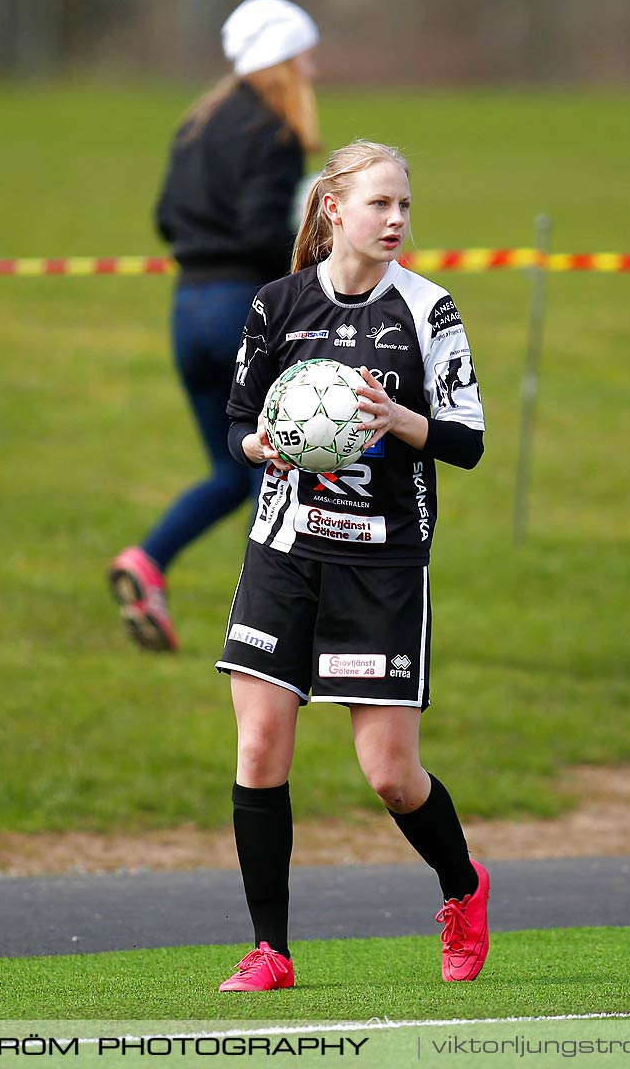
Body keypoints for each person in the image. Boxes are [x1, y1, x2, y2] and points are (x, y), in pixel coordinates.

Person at [211, 140, 490, 992]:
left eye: (405, 204)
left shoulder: (429, 310)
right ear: (334, 209)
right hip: (285, 551)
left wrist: (395, 418)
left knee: (390, 776)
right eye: (380, 204)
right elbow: (236, 426)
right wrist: (265, 442)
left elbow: (468, 442)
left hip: (383, 565)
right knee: (259, 748)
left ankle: (463, 889)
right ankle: (271, 952)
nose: (398, 219)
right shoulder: (277, 304)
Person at [110, 0, 322, 653]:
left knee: (235, 470)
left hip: (188, 313)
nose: (313, 69)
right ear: (283, 60)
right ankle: (280, 627)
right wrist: (315, 258)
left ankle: (147, 562)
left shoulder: (197, 123)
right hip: (240, 314)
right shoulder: (274, 129)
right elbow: (263, 229)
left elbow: (166, 218)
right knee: (279, 471)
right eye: (305, 55)